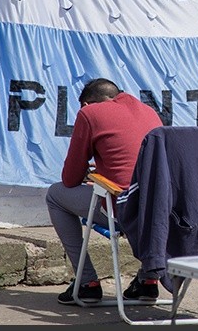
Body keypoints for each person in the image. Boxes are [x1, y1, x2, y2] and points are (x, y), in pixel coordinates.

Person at [45, 78, 163, 305]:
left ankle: (87, 282)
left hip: (121, 207)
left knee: (55, 195)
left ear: (87, 104)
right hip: (157, 210)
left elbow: (69, 179)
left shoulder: (90, 114)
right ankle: (148, 280)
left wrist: (90, 175)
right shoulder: (149, 111)